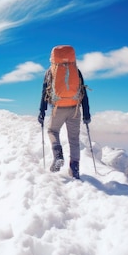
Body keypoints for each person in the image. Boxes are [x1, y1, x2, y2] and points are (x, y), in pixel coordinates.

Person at [38, 45, 91, 179]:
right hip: (75, 109)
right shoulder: (76, 71)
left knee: (52, 131)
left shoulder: (50, 71)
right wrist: (86, 114)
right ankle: (74, 169)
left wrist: (42, 111)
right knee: (74, 139)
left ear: (53, 58)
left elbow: (44, 92)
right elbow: (83, 93)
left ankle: (58, 155)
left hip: (58, 108)